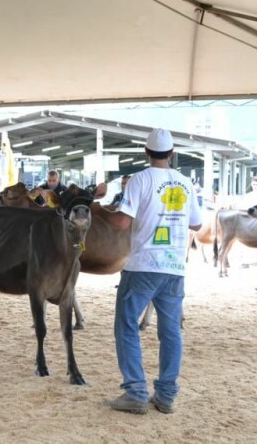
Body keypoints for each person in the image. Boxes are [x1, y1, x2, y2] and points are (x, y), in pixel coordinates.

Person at [91, 128, 202, 415]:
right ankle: (165, 395)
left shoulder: (140, 179)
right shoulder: (184, 182)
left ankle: (136, 392)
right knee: (171, 331)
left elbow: (121, 224)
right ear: (172, 154)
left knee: (126, 325)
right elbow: (197, 224)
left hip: (143, 265)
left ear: (146, 152)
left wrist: (99, 209)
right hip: (175, 267)